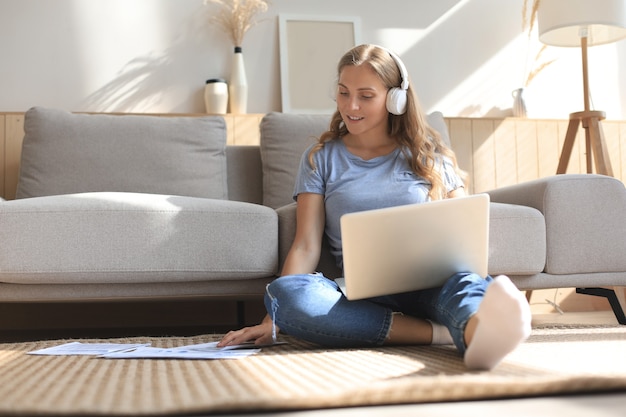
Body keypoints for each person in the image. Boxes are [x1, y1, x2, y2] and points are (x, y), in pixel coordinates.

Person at [218, 44, 531, 370]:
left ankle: (479, 331)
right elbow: (306, 244)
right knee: (288, 294)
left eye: (365, 96)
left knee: (467, 283)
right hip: (357, 295)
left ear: (395, 98)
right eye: (343, 93)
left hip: (434, 286)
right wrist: (275, 317)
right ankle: (440, 333)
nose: (350, 106)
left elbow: (466, 233)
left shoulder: (429, 153)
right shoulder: (319, 157)